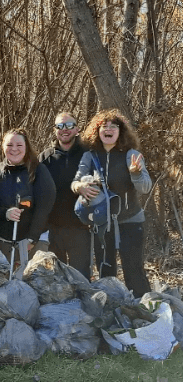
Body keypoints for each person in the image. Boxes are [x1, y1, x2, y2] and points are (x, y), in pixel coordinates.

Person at [71, 109, 151, 296]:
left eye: (113, 127)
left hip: (131, 221)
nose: (108, 130)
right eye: (103, 127)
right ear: (97, 132)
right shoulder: (90, 156)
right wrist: (80, 187)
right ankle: (112, 313)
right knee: (106, 271)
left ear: (120, 131)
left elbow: (145, 188)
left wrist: (136, 173)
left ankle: (144, 312)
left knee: (134, 270)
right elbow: (76, 181)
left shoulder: (131, 155)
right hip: (102, 223)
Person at [0, 128, 56, 273]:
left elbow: (45, 207)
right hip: (1, 242)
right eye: (9, 145)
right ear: (3, 146)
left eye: (19, 145)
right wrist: (5, 213)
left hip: (32, 243)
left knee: (33, 285)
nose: (14, 149)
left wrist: (32, 238)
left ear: (26, 147)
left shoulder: (39, 171)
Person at [38, 112, 91, 278]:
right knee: (57, 278)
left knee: (81, 277)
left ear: (77, 129)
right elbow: (38, 192)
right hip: (53, 229)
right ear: (55, 130)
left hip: (81, 228)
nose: (64, 130)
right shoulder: (45, 158)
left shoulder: (88, 155)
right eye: (60, 126)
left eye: (69, 126)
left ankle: (83, 305)